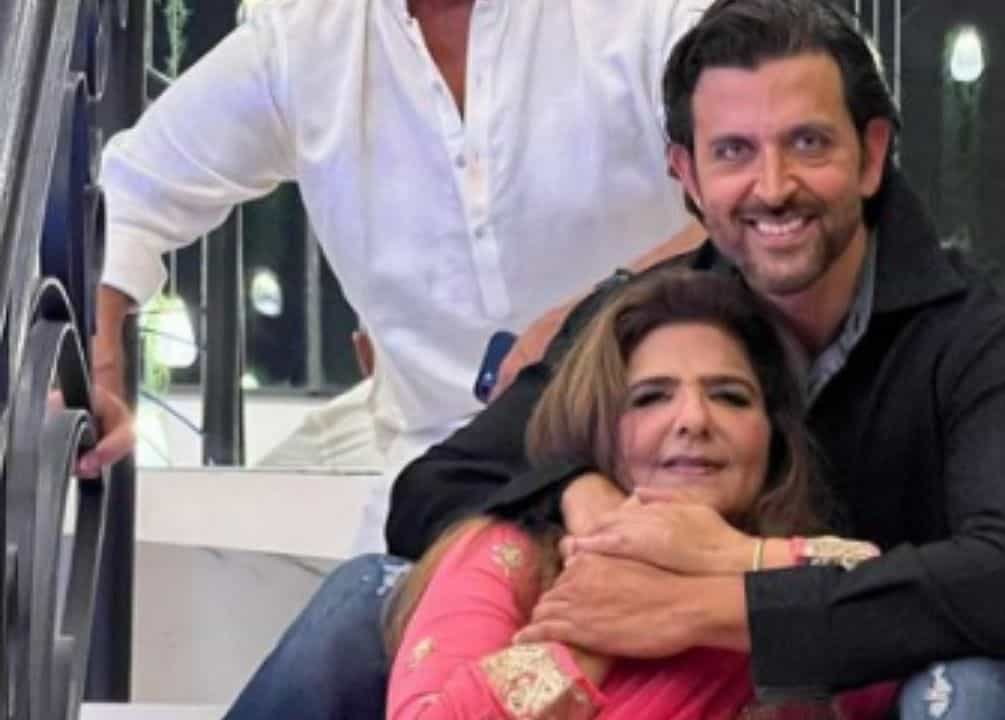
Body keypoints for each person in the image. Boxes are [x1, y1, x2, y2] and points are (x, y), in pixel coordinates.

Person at [380, 1, 1005, 718]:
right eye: (734, 151)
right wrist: (583, 499)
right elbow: (434, 487)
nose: (772, 187)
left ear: (871, 155)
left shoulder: (990, 336)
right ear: (688, 176)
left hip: (937, 702)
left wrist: (706, 595)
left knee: (962, 690)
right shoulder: (647, 323)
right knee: (367, 596)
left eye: (808, 143)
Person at [85, 0, 710, 533]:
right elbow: (130, 194)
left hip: (669, 453)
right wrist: (100, 365)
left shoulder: (649, 18)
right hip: (442, 488)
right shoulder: (305, 38)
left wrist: (595, 317)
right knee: (342, 631)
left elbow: (751, 197)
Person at [383, 269, 905, 718]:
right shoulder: (511, 558)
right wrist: (588, 631)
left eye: (730, 397)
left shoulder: (802, 585)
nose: (694, 420)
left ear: (772, 436)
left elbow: (902, 613)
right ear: (599, 428)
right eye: (651, 398)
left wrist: (727, 559)